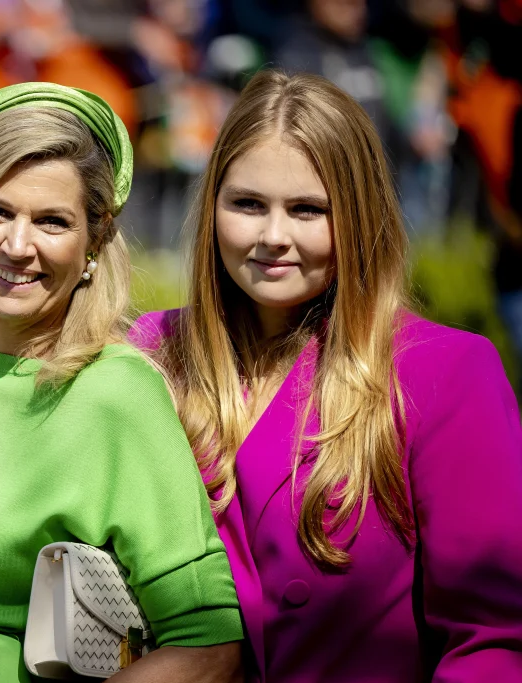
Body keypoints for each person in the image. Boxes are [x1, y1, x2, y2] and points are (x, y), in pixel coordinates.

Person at [130, 69, 522, 682]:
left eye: (309, 210)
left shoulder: (444, 372)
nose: (273, 237)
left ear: (359, 218)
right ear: (211, 208)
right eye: (248, 204)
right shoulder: (154, 353)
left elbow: (491, 640)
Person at [0, 82, 244, 683]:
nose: (17, 245)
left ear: (94, 243)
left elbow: (209, 646)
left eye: (52, 221)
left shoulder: (116, 394)